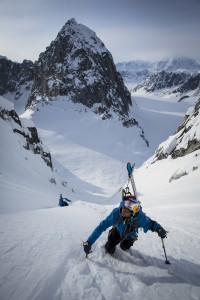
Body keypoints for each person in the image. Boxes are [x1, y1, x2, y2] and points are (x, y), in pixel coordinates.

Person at [83, 194, 167, 256]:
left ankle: (125, 244)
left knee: (124, 247)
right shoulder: (116, 214)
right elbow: (101, 226)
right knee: (109, 248)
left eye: (127, 211)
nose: (123, 211)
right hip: (118, 231)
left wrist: (159, 229)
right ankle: (113, 240)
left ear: (132, 213)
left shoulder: (139, 217)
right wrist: (89, 242)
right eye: (123, 208)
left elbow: (151, 224)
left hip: (130, 234)